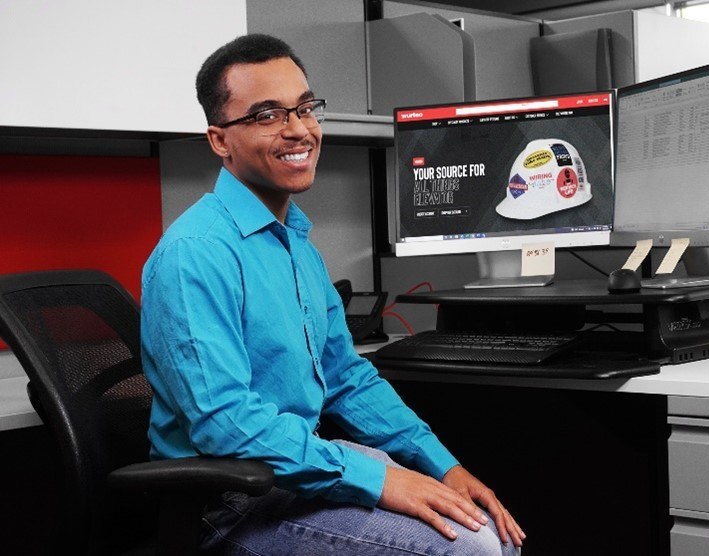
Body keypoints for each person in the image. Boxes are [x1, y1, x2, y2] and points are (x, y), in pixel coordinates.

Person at [141, 33, 525, 555]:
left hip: (292, 473)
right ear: (219, 140)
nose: (298, 129)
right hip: (230, 505)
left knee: (485, 526)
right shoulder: (196, 254)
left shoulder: (294, 243)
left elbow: (345, 376)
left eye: (304, 108)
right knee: (464, 548)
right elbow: (225, 424)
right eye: (267, 115)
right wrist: (382, 480)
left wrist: (440, 464)